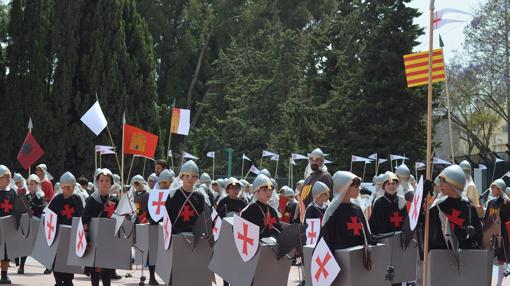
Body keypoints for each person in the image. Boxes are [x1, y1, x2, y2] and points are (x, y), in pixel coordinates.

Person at [428, 165, 483, 250]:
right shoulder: (438, 207)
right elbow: (430, 236)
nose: (440, 184)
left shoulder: (469, 208)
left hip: (465, 258)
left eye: (444, 181)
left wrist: (473, 233)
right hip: (442, 257)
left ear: (453, 183)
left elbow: (479, 237)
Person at [82, 169, 119, 286]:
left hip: (108, 240)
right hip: (94, 240)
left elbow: (119, 218)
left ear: (111, 183)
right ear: (97, 182)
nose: (104, 183)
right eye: (101, 180)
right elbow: (85, 219)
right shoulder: (92, 200)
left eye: (107, 181)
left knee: (107, 270)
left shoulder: (114, 200)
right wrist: (87, 238)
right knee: (95, 270)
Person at [47, 172, 84, 286]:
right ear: (61, 187)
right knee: (56, 259)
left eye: (70, 187)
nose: (67, 189)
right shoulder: (57, 199)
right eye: (65, 187)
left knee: (70, 259)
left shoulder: (77, 199)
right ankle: (58, 281)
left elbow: (81, 216)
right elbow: (49, 216)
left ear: (73, 187)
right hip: (58, 234)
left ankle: (68, 280)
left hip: (72, 235)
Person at [321, 171, 370, 250]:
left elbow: (366, 235)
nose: (359, 189)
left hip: (360, 256)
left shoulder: (357, 209)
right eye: (356, 186)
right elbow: (327, 242)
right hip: (341, 259)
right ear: (345, 188)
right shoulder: (332, 212)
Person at [131, 175, 158, 285]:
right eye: (135, 184)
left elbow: (150, 209)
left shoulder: (148, 194)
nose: (137, 186)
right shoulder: (133, 195)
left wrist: (145, 219)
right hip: (137, 223)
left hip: (146, 223)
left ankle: (151, 276)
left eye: (138, 183)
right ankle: (143, 274)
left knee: (150, 251)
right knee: (141, 250)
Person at [165, 161, 206, 234]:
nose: (190, 179)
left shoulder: (199, 197)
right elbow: (168, 217)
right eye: (187, 176)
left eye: (193, 176)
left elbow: (203, 218)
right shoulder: (174, 195)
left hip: (195, 236)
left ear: (197, 178)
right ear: (181, 177)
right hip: (177, 235)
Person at [16, 174, 46, 274]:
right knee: (25, 244)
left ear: (37, 185)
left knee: (41, 247)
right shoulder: (26, 196)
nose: (30, 186)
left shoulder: (40, 197)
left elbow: (42, 209)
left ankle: (49, 265)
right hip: (27, 224)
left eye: (32, 184)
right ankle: (21, 266)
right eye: (28, 184)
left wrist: (34, 206)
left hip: (37, 224)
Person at [483, 179, 510, 286]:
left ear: (500, 189)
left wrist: (505, 235)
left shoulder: (506, 203)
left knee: (501, 259)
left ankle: (498, 284)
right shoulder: (490, 202)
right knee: (488, 258)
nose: (492, 189)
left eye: (494, 187)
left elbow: (507, 221)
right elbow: (486, 219)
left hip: (501, 234)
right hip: (490, 234)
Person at [241, 174, 282, 238]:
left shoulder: (272, 210)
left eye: (270, 189)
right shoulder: (249, 211)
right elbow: (241, 232)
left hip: (271, 246)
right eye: (265, 189)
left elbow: (278, 229)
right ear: (257, 191)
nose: (268, 192)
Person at [0, 165, 16, 284]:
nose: (8, 179)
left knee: (6, 252)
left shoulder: (12, 192)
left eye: (9, 177)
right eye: (5, 177)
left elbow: (17, 208)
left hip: (7, 226)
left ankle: (4, 275)